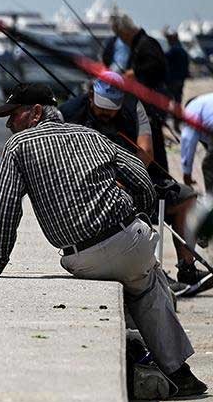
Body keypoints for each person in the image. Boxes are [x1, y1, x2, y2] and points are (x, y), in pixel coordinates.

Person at [0, 83, 206, 397]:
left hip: (82, 258)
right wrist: (141, 213)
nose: (8, 124)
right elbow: (142, 179)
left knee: (145, 282)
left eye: (13, 115)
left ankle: (155, 362)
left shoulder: (17, 146)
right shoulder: (90, 136)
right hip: (130, 238)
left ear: (36, 112)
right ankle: (178, 371)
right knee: (147, 283)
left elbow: (8, 209)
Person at [60, 72, 202, 286]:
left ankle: (187, 269)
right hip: (92, 184)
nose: (107, 114)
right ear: (91, 97)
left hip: (132, 175)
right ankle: (149, 271)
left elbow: (146, 151)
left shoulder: (133, 106)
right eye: (102, 109)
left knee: (186, 197)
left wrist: (127, 179)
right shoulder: (69, 112)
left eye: (112, 109)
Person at [111, 12, 171, 177]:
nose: (121, 40)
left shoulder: (146, 44)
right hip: (147, 102)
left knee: (155, 146)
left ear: (126, 32)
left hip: (152, 104)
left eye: (121, 36)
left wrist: (134, 72)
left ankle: (163, 182)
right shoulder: (140, 44)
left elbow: (158, 68)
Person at [180, 91, 213, 191]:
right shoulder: (206, 103)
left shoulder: (191, 108)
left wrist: (187, 173)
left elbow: (189, 140)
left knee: (209, 166)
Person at [165, 28, 191, 124]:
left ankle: (175, 119)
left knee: (169, 99)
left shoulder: (174, 50)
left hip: (174, 80)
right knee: (177, 99)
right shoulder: (181, 50)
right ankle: (177, 119)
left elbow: (164, 58)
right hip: (180, 80)